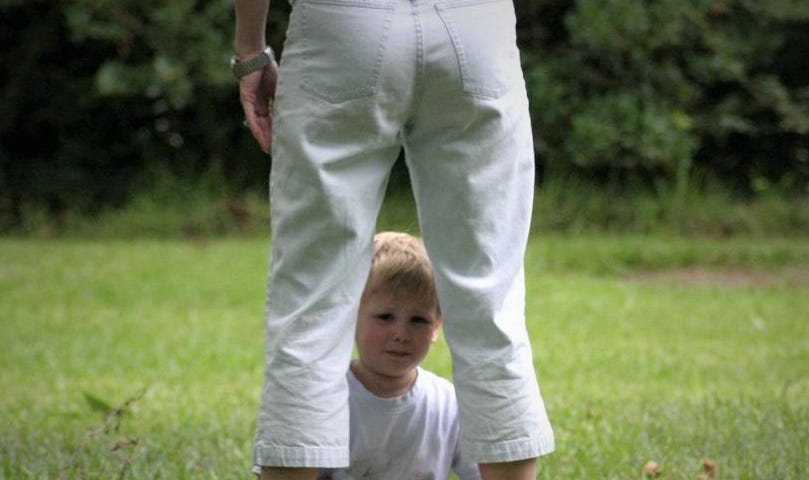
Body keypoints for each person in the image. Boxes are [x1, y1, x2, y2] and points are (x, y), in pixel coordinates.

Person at [232, 0, 555, 478]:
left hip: (341, 25)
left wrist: (251, 49)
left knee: (312, 308)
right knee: (490, 304)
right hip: (476, 25)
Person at [316, 231, 479, 480]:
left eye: (418, 320)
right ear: (351, 315)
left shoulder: (448, 404)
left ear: (436, 327)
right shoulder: (328, 398)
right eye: (385, 317)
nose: (401, 334)